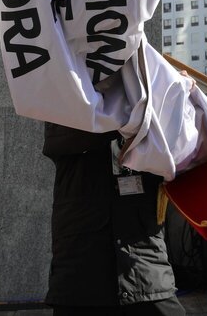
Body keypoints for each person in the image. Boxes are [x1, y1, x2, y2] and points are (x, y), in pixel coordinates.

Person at [43, 119, 185, 315]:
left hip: (145, 268)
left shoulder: (149, 106)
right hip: (81, 273)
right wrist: (128, 116)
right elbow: (60, 140)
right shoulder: (65, 102)